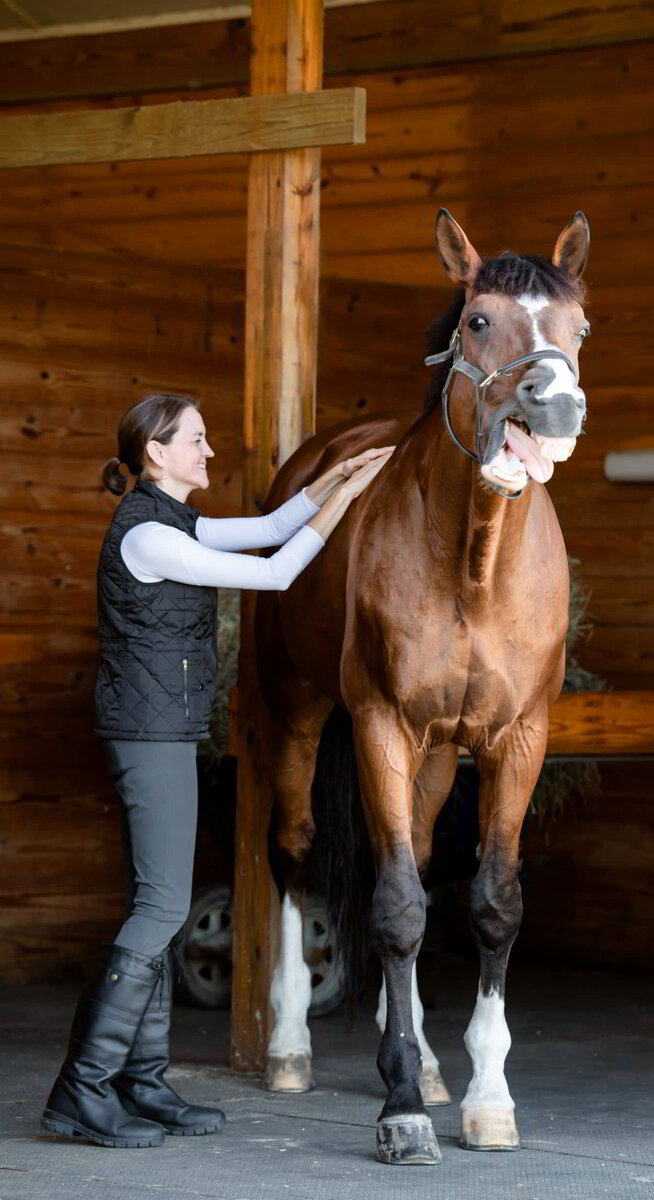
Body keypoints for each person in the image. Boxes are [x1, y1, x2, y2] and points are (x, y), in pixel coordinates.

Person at [41, 392, 393, 1149]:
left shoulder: (172, 520)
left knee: (155, 904)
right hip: (149, 734)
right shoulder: (146, 537)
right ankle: (83, 1088)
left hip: (164, 728)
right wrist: (347, 504)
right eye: (194, 441)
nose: (208, 452)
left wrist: (338, 476)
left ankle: (143, 1081)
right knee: (162, 907)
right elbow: (274, 573)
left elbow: (270, 527)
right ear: (156, 454)